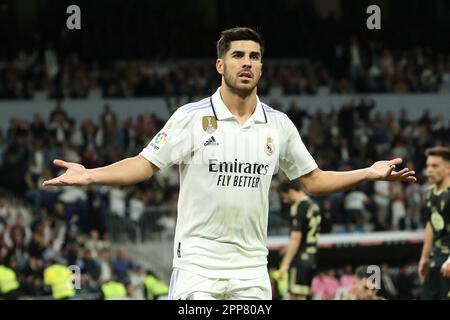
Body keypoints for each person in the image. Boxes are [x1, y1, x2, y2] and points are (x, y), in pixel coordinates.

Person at [43, 27, 416, 300]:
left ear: (262, 67)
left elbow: (314, 180)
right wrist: (90, 175)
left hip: (251, 269)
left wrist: (369, 172)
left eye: (254, 57)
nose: (247, 63)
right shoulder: (190, 118)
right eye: (238, 55)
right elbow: (144, 165)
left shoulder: (279, 125)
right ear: (219, 64)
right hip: (197, 267)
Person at [277, 180, 321, 300]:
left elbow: (296, 237)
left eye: (284, 197)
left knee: (295, 296)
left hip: (300, 259)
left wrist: (284, 264)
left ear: (291, 192)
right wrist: (288, 248)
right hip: (311, 256)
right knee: (299, 295)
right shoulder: (313, 204)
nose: (285, 201)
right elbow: (307, 233)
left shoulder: (298, 206)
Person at [418, 146, 450, 300]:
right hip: (436, 258)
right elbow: (430, 225)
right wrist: (424, 257)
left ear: (448, 168)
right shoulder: (430, 193)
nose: (429, 170)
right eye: (427, 166)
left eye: (435, 166)